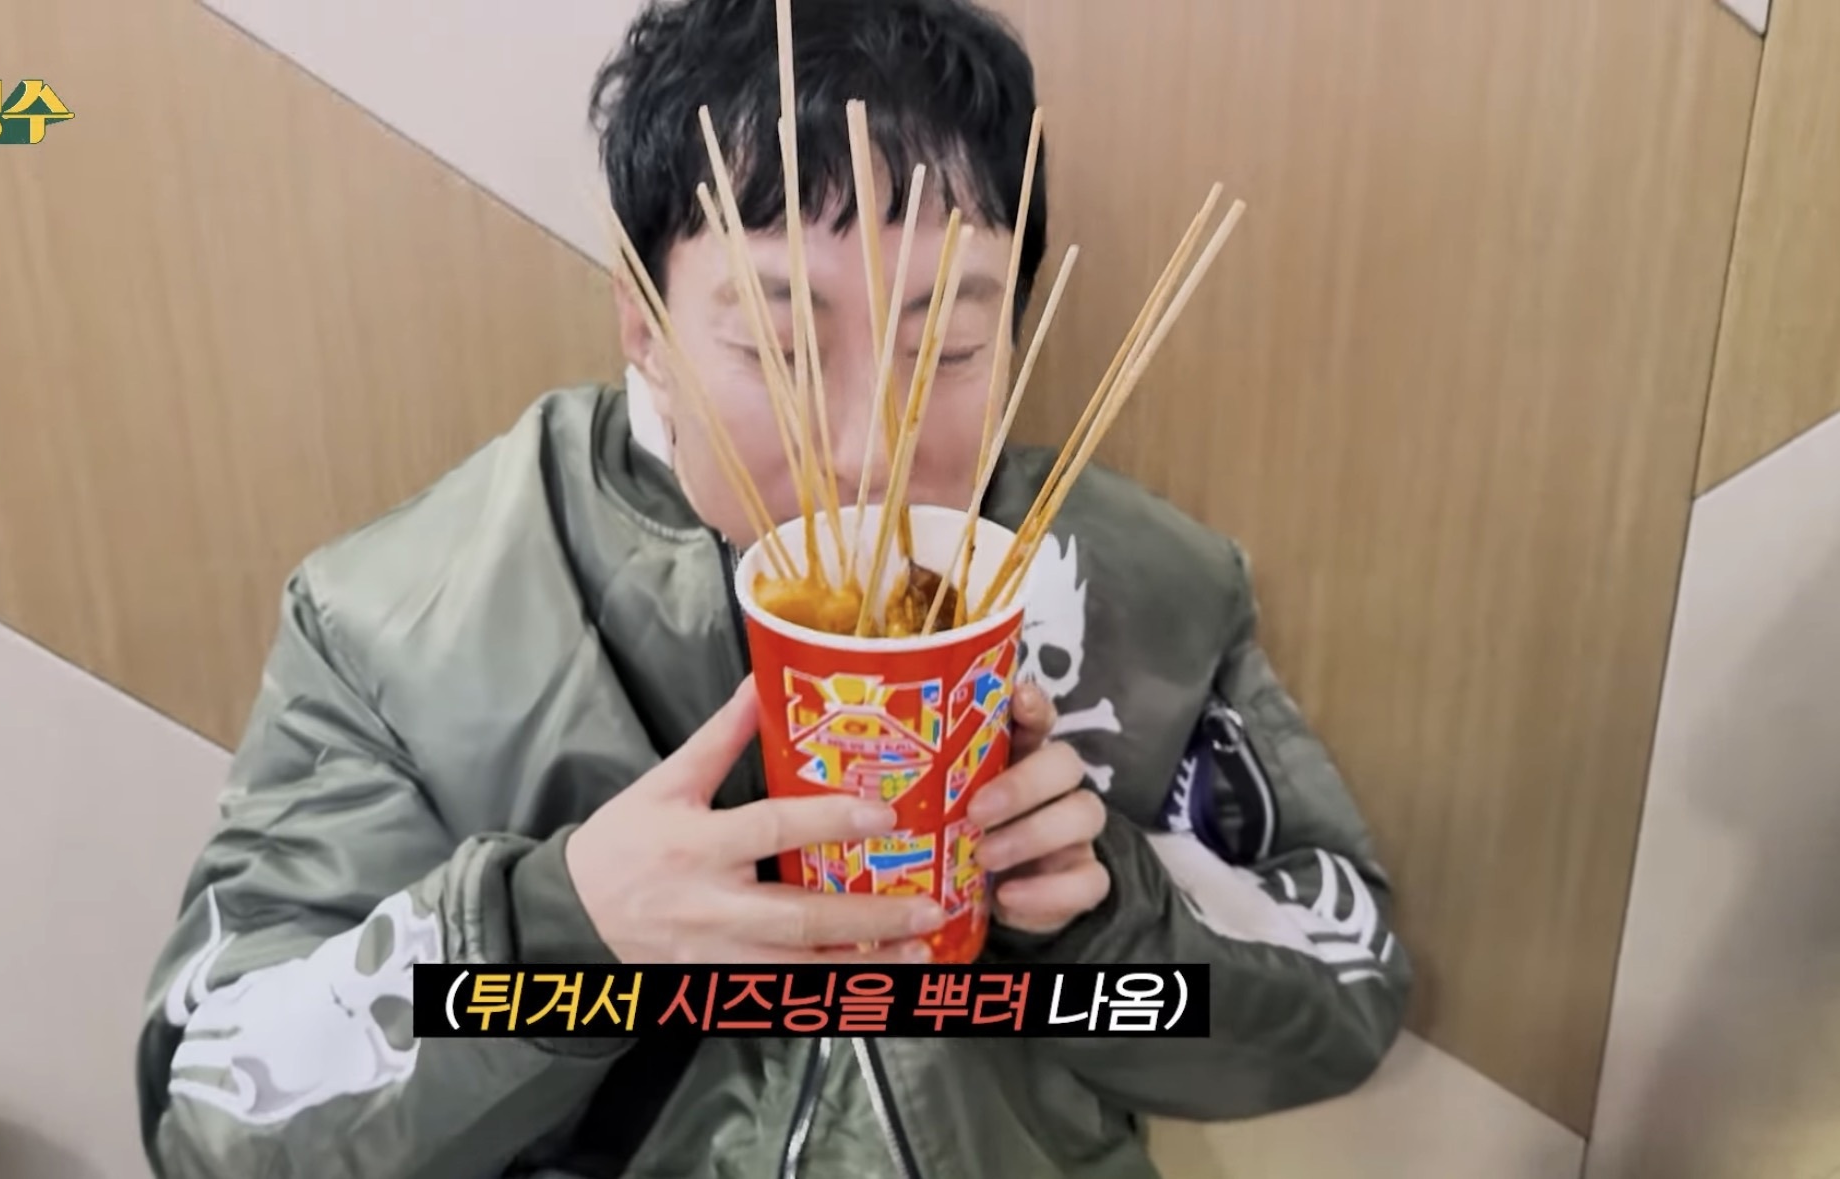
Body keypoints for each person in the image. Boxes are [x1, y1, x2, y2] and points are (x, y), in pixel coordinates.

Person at [133, 0, 1412, 1175]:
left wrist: (1104, 926)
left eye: (950, 347)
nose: (864, 450)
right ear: (643, 325)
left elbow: (1341, 1001)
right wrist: (560, 939)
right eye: (781, 345)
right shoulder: (398, 622)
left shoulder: (1139, 590)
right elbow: (216, 1127)